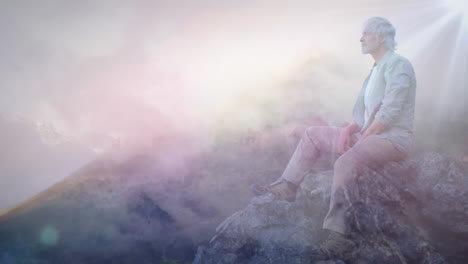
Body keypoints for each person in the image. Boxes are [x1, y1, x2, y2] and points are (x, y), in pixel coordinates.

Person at [251, 16, 416, 260]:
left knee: (345, 162)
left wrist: (362, 140)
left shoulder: (399, 65)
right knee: (312, 134)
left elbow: (390, 112)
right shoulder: (374, 71)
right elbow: (362, 115)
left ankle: (339, 238)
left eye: (366, 34)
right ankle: (288, 186)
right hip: (368, 135)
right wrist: (350, 130)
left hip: (392, 140)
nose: (361, 38)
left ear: (382, 38)